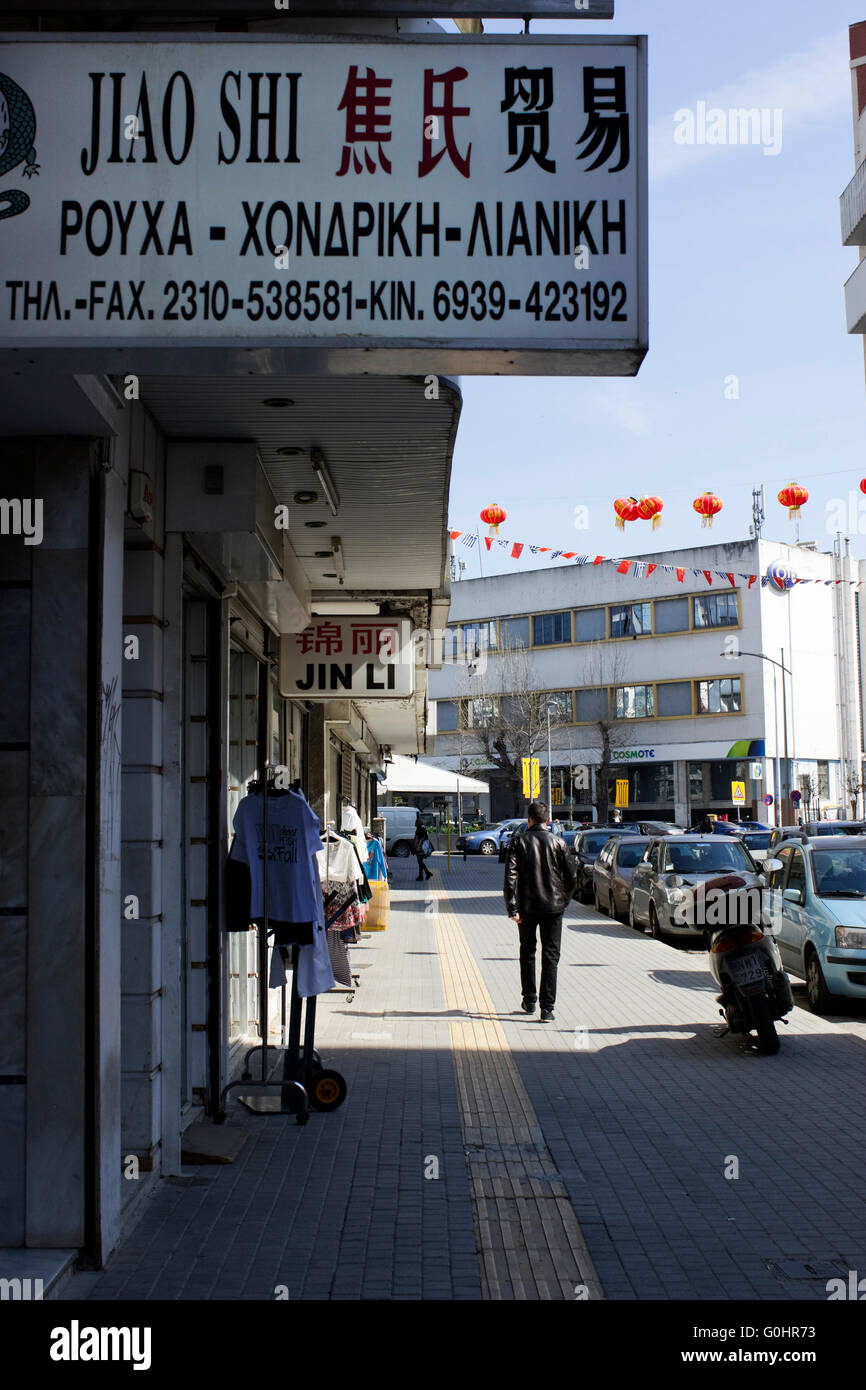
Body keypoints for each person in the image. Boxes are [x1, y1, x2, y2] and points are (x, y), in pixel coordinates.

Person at [503, 799, 577, 1023]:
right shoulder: (559, 842)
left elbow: (510, 878)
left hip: (526, 907)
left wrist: (512, 907)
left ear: (529, 819)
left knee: (527, 952)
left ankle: (529, 1000)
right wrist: (565, 900)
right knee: (551, 956)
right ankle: (548, 1008)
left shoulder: (519, 842)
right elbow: (572, 875)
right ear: (547, 820)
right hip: (554, 907)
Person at [413, 815, 432, 882]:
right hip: (419, 847)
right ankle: (422, 875)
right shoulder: (421, 829)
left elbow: (422, 838)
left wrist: (418, 846)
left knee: (420, 861)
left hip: (420, 847)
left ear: (418, 823)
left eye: (415, 823)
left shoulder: (420, 829)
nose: (414, 824)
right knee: (420, 861)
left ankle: (426, 873)